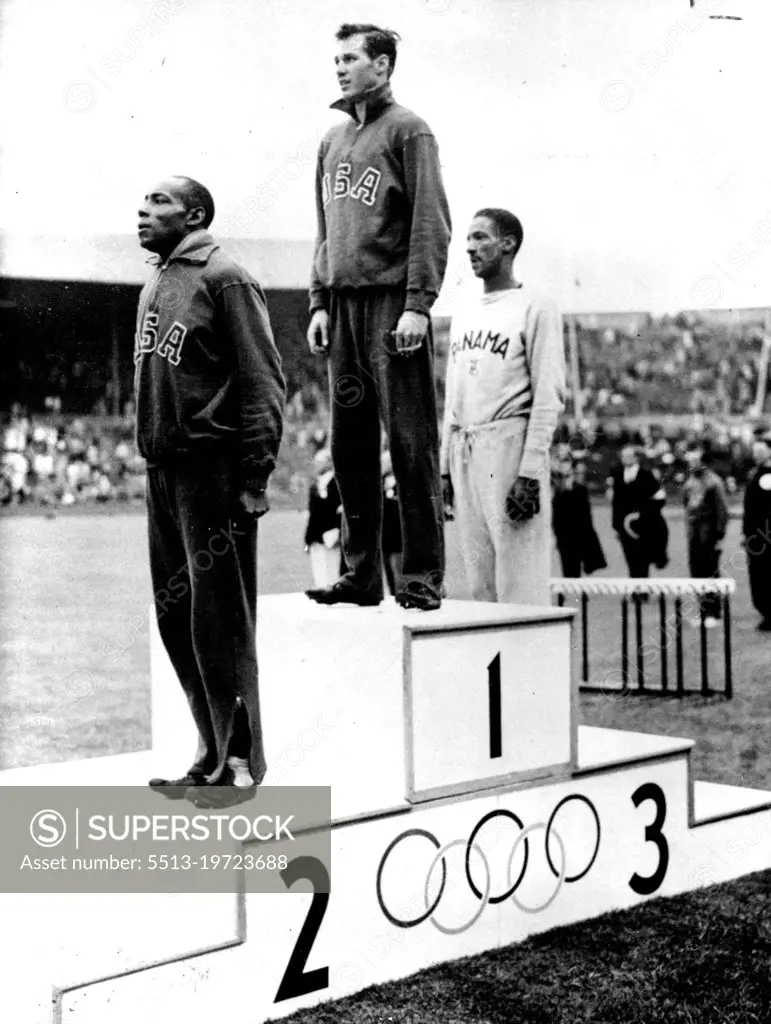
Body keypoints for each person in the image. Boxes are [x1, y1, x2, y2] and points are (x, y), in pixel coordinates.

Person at [135, 176, 286, 805]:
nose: (144, 211)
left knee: (219, 618)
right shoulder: (154, 281)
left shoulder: (226, 278)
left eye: (159, 202)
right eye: (142, 203)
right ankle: (208, 753)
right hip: (162, 471)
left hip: (212, 471)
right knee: (178, 619)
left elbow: (265, 383)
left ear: (195, 214)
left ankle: (241, 764)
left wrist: (253, 476)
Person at [306, 23, 451, 611]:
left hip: (392, 304)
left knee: (410, 445)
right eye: (335, 58)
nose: (339, 68)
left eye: (351, 58)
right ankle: (361, 574)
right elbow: (324, 231)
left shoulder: (410, 131)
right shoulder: (332, 140)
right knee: (350, 449)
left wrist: (418, 304)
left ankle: (420, 577)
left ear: (384, 66)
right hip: (342, 306)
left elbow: (430, 221)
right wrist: (318, 299)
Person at [440, 208, 566, 606]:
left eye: (480, 238)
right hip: (466, 450)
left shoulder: (536, 305)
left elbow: (549, 395)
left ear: (508, 243)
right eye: (468, 240)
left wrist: (529, 471)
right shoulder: (463, 312)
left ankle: (529, 668)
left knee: (520, 581)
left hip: (510, 446)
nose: (470, 248)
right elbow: (452, 399)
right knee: (481, 584)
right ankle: (490, 669)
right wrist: (444, 469)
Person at [683, 441, 728, 628]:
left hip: (709, 533)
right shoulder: (690, 481)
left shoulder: (714, 482)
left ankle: (713, 612)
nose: (691, 464)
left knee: (710, 572)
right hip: (694, 533)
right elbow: (686, 506)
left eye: (695, 460)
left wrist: (719, 535)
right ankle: (703, 611)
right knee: (696, 572)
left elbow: (722, 510)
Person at [611, 445, 668, 578]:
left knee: (643, 560)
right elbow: (616, 503)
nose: (624, 459)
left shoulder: (646, 475)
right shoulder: (618, 476)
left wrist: (642, 513)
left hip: (644, 526)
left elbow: (660, 499)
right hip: (625, 527)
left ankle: (642, 591)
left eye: (628, 456)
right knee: (630, 559)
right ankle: (635, 591)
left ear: (636, 458)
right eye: (623, 456)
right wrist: (616, 526)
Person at [551, 455, 606, 578]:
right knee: (567, 566)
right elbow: (556, 516)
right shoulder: (558, 491)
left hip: (579, 534)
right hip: (563, 536)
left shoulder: (580, 490)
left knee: (578, 566)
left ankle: (579, 593)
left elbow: (586, 515)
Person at [742, 431, 771, 631]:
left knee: (767, 573)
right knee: (757, 574)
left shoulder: (766, 477)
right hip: (755, 535)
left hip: (766, 535)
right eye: (755, 451)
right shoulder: (755, 474)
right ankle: (765, 611)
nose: (756, 455)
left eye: (761, 451)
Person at [304, 448, 344, 588]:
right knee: (319, 571)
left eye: (319, 461)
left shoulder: (337, 483)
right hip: (316, 535)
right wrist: (308, 538)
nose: (316, 464)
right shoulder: (315, 485)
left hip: (331, 534)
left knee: (332, 570)